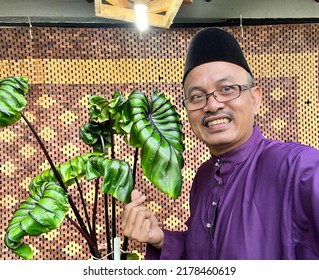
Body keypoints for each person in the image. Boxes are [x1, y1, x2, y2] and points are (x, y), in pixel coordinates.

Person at [122, 27, 319, 259]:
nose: (212, 105)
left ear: (254, 99)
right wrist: (162, 240)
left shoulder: (299, 167)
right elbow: (208, 256)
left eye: (226, 89)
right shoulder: (204, 177)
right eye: (197, 96)